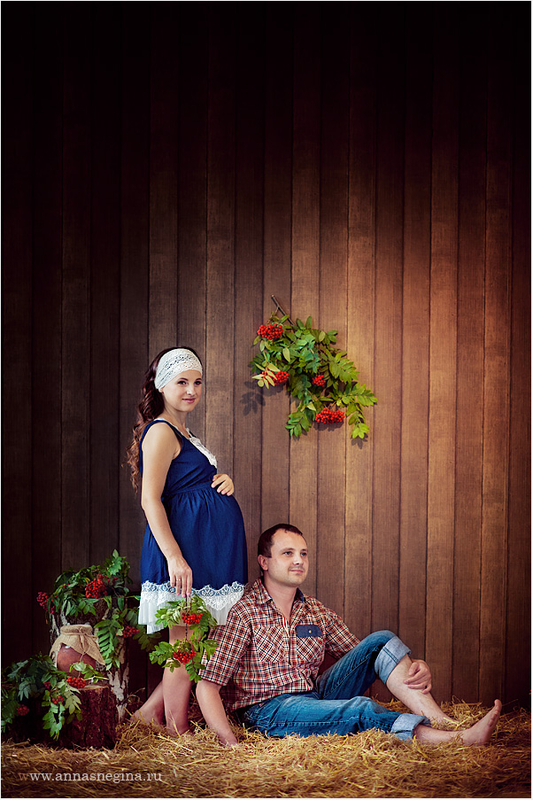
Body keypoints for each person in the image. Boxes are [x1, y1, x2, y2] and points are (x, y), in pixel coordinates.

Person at [196, 523, 501, 747]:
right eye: (287, 553)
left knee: (381, 639)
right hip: (268, 711)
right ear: (264, 562)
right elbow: (207, 686)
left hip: (313, 696)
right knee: (360, 709)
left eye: (303, 553)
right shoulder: (243, 612)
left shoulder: (315, 611)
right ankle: (455, 741)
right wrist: (229, 744)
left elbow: (367, 657)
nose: (299, 560)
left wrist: (414, 664)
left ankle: (443, 721)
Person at [126, 347, 248, 735]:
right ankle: (177, 731)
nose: (191, 390)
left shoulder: (184, 433)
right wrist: (175, 557)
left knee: (191, 641)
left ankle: (148, 713)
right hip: (183, 553)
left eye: (197, 382)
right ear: (162, 386)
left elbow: (189, 484)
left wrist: (221, 482)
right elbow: (150, 499)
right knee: (186, 644)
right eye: (182, 382)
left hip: (203, 551)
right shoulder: (161, 431)